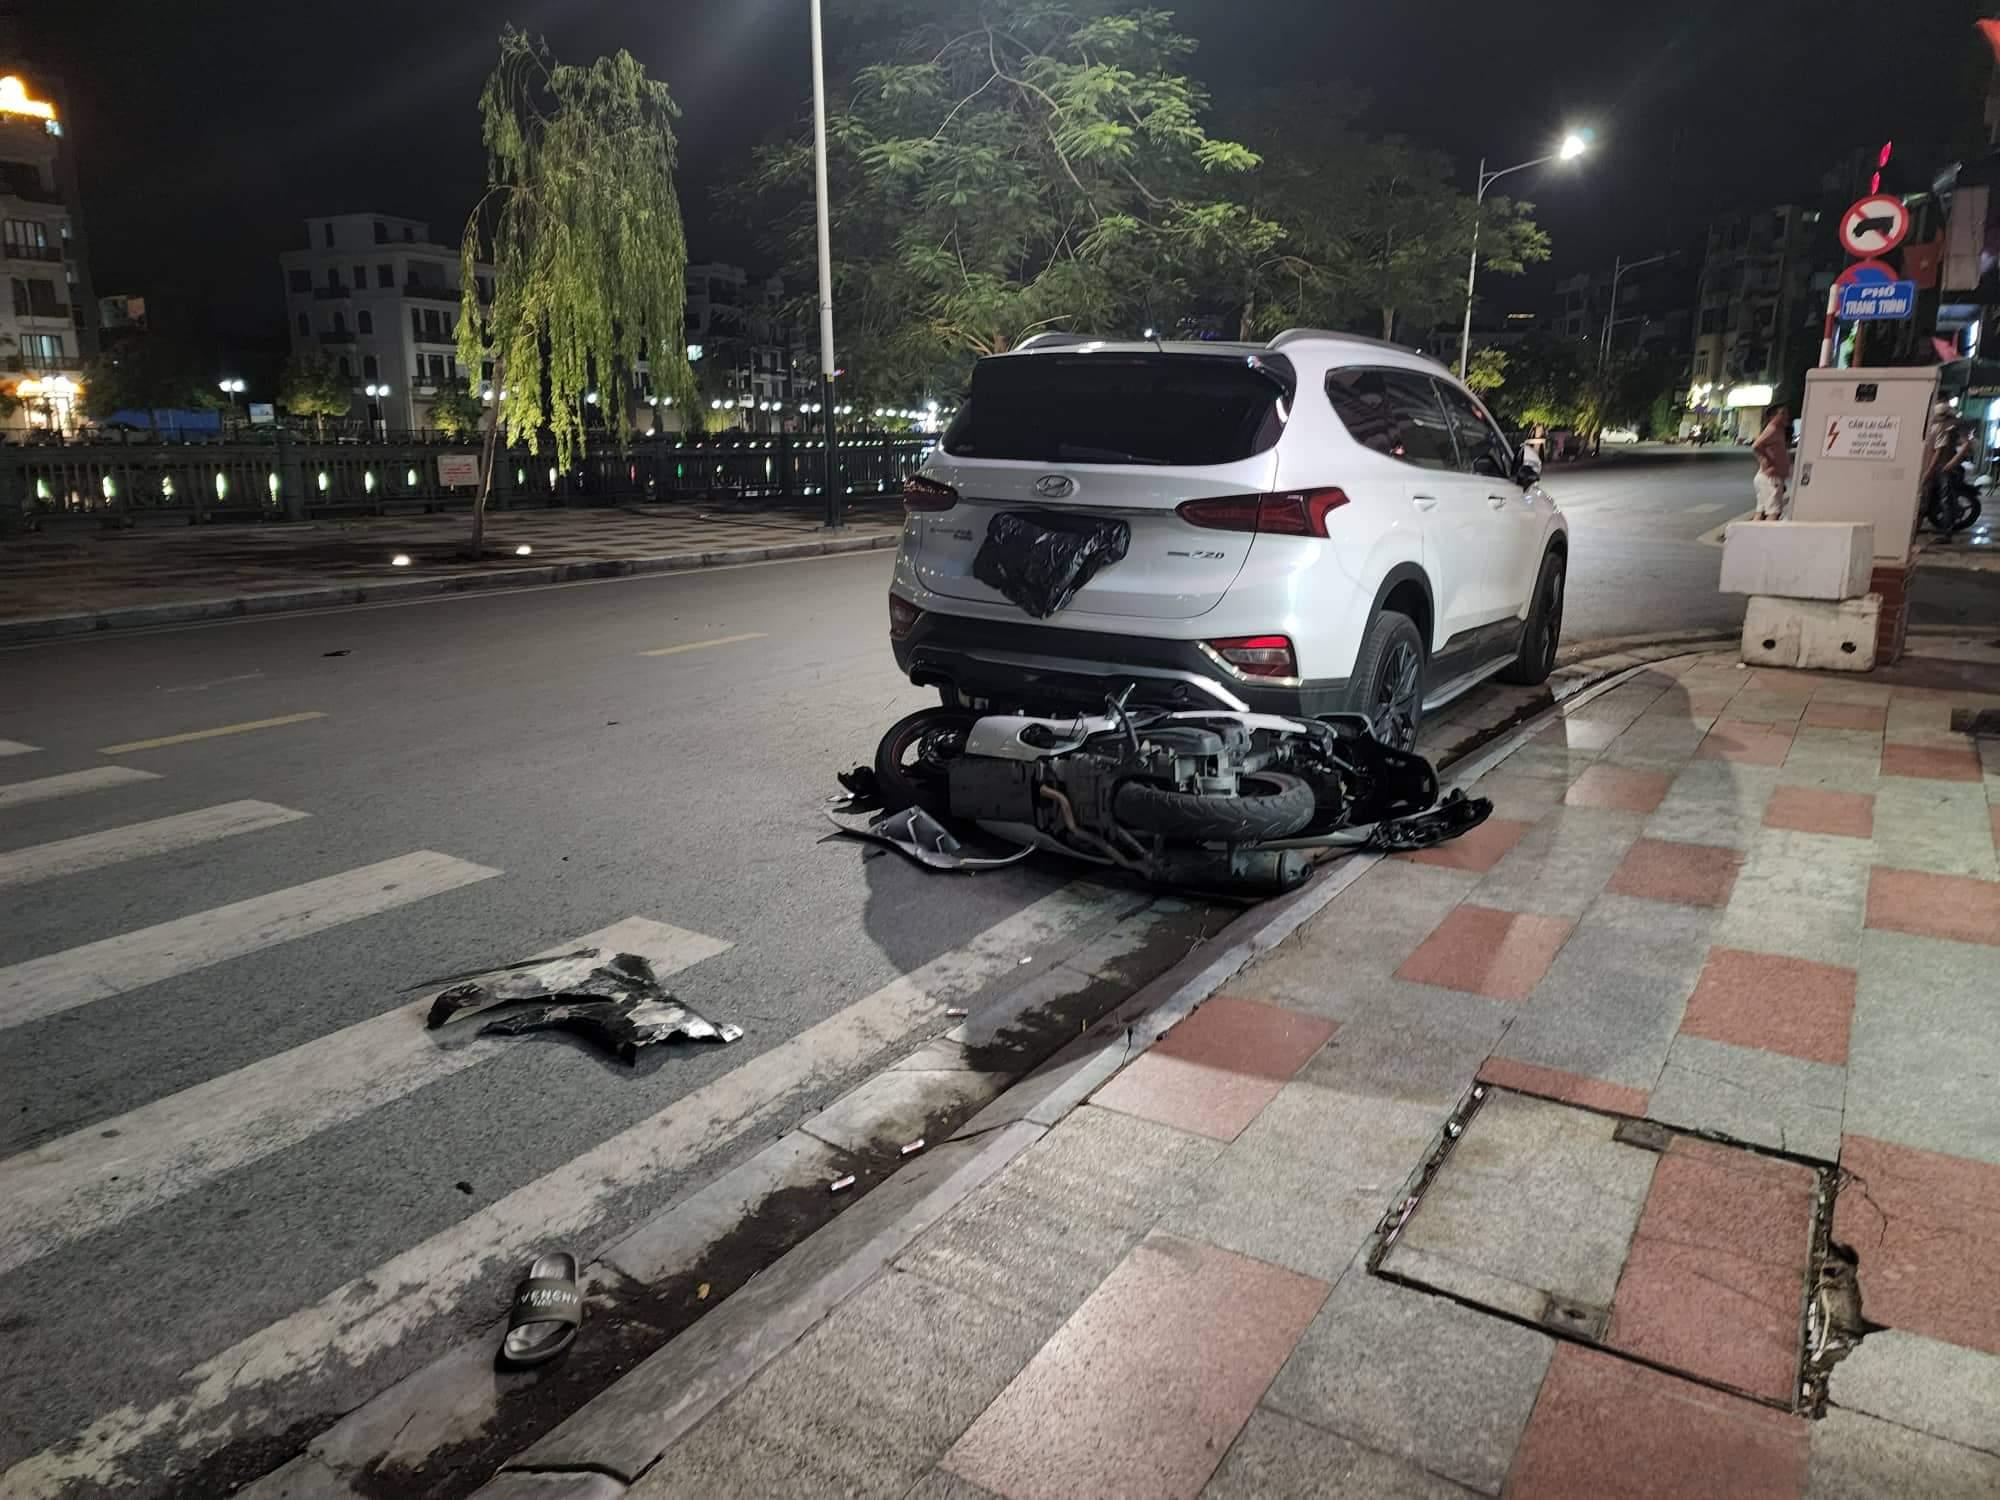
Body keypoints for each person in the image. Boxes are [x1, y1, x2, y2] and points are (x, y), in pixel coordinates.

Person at [1751, 401, 1792, 520]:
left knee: (1761, 511)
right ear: (1773, 416)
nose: (1786, 416)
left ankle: (1752, 531)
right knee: (1773, 513)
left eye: (1786, 413)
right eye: (1782, 413)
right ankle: (1766, 532)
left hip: (1767, 477)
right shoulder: (1772, 429)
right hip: (1771, 478)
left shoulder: (1777, 430)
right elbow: (1756, 446)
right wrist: (1767, 459)